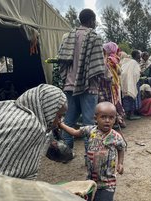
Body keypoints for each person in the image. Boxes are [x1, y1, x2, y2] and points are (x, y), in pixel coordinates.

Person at [0, 84, 67, 179]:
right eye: (59, 116)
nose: (59, 121)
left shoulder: (10, 106)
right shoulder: (31, 126)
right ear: (49, 110)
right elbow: (10, 176)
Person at [57, 9, 105, 154]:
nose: (95, 23)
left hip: (70, 85)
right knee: (89, 123)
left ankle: (66, 151)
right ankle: (89, 155)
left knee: (69, 120)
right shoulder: (95, 37)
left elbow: (62, 59)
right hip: (88, 87)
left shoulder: (69, 36)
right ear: (91, 20)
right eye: (94, 20)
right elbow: (98, 66)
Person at [58, 102, 126, 201]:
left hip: (107, 182)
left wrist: (120, 163)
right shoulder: (89, 130)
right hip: (90, 180)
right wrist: (60, 124)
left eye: (111, 118)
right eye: (103, 117)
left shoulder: (116, 137)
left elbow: (121, 148)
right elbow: (74, 132)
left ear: (114, 119)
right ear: (95, 118)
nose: (107, 121)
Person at [121, 50, 142, 120]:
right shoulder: (134, 63)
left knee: (126, 98)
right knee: (132, 97)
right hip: (132, 82)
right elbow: (136, 74)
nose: (140, 57)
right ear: (136, 55)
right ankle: (131, 114)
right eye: (139, 55)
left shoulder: (128, 62)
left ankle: (128, 114)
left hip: (125, 82)